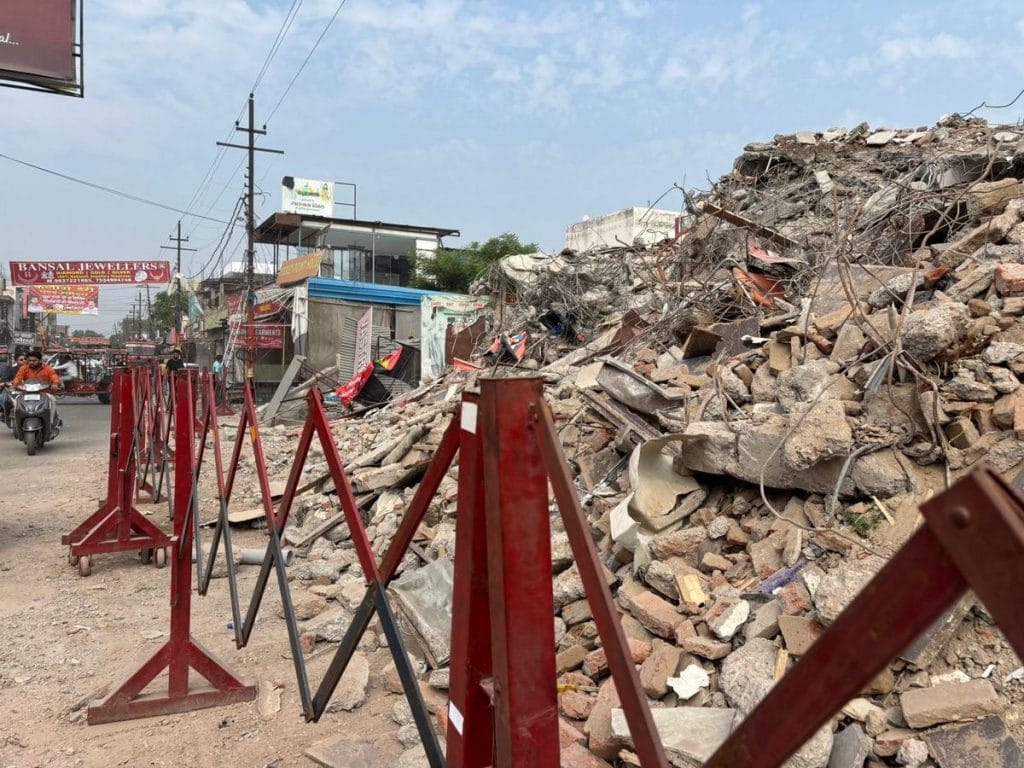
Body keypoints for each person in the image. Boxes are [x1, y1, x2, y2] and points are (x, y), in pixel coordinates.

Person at [12, 348, 62, 430]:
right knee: (16, 402)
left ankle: (51, 424)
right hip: (27, 393)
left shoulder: (47, 368)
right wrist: (15, 384)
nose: (31, 362)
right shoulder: (24, 368)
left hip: (45, 393)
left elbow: (54, 376)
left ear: (40, 360)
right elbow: (18, 377)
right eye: (30, 360)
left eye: (34, 360)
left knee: (52, 401)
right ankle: (17, 426)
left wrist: (55, 383)